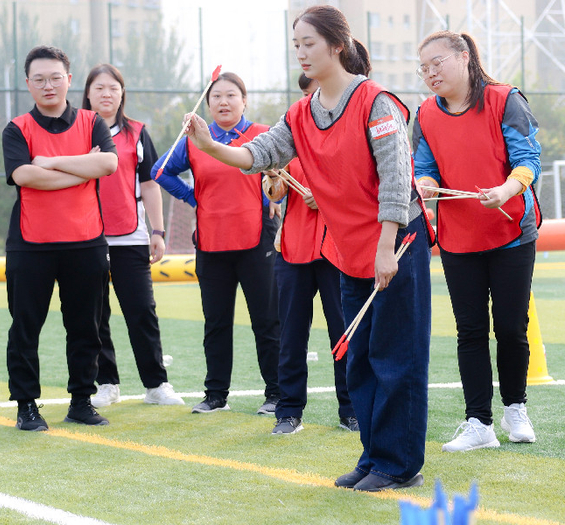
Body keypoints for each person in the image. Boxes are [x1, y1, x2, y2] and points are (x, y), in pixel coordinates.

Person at [179, 6, 434, 492]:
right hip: (349, 249)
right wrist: (210, 146)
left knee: (395, 357)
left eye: (308, 43)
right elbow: (258, 155)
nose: (300, 52)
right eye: (296, 44)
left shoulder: (376, 102)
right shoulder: (300, 113)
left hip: (395, 244)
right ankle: (374, 457)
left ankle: (400, 465)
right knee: (359, 358)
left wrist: (385, 248)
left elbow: (397, 180)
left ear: (337, 45)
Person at [413, 31, 542, 452]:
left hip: (511, 233)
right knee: (469, 331)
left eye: (437, 63)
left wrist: (505, 190)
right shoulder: (425, 114)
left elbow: (528, 160)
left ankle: (515, 408)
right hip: (458, 238)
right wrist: (426, 184)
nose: (430, 73)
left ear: (464, 56)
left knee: (511, 327)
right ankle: (479, 423)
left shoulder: (505, 100)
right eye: (424, 68)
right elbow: (424, 166)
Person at [2, 46, 118, 431]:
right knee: (25, 327)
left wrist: (50, 163)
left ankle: (81, 402)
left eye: (55, 78)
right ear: (28, 84)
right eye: (39, 79)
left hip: (86, 240)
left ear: (69, 80)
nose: (48, 85)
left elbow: (108, 163)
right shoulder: (16, 128)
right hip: (30, 243)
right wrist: (83, 169)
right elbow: (24, 176)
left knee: (87, 327)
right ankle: (26, 406)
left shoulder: (92, 121)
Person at [153, 72, 282, 415]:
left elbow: (286, 175)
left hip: (257, 239)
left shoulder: (263, 135)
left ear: (244, 101)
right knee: (216, 323)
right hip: (211, 242)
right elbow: (159, 171)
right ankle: (215, 395)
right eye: (216, 97)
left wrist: (272, 196)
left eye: (231, 95)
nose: (223, 102)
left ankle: (276, 394)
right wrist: (194, 198)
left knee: (267, 321)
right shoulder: (195, 139)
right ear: (207, 104)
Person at [81, 64, 184, 407]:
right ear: (87, 93)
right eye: (99, 88)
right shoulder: (75, 132)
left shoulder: (137, 133)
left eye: (113, 88)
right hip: (85, 237)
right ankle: (106, 383)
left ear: (122, 93)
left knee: (141, 311)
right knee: (95, 314)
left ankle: (156, 384)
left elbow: (150, 184)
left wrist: (158, 230)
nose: (106, 94)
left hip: (131, 236)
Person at [264, 73, 357, 436]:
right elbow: (274, 193)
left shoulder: (349, 130)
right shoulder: (292, 132)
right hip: (293, 248)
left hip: (338, 249)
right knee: (291, 335)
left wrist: (329, 197)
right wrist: (274, 177)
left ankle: (351, 409)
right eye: (308, 93)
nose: (315, 99)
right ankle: (288, 412)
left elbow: (362, 184)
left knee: (343, 334)